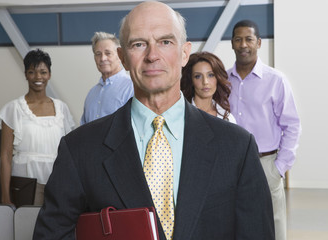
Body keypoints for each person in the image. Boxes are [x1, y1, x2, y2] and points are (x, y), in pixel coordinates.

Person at [33, 2, 274, 240]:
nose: (152, 56)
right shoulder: (79, 150)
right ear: (123, 58)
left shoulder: (236, 147)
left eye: (165, 42)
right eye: (139, 44)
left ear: (184, 53)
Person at [227, 19, 301, 240]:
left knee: (274, 223)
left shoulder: (275, 80)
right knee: (234, 219)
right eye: (238, 39)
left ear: (258, 43)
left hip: (266, 163)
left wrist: (279, 168)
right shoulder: (222, 80)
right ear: (232, 44)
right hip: (231, 164)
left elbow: (292, 124)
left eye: (248, 39)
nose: (243, 44)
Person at [0, 49, 75, 206]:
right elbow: (5, 155)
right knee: (27, 227)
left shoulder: (62, 108)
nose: (38, 77)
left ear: (49, 75)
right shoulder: (13, 109)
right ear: (25, 74)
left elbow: (70, 153)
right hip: (26, 181)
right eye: (32, 72)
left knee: (55, 227)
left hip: (57, 181)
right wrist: (5, 196)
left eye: (43, 72)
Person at [80, 31, 134, 125]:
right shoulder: (91, 94)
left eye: (108, 53)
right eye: (98, 54)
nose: (102, 58)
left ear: (119, 56)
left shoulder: (132, 88)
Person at [181, 51, 236, 123]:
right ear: (191, 80)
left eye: (210, 75)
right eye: (198, 76)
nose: (205, 82)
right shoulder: (180, 114)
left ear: (218, 78)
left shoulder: (228, 118)